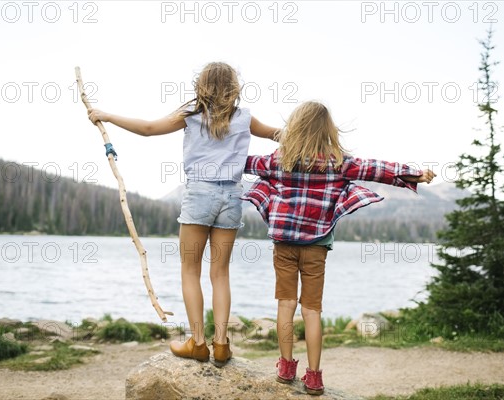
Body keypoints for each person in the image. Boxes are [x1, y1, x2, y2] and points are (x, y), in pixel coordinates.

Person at [88, 62, 279, 367]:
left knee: (190, 270)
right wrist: (311, 136)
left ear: (201, 85)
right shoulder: (244, 117)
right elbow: (278, 134)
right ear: (233, 86)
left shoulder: (191, 115)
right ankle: (221, 345)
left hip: (200, 194)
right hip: (232, 195)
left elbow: (148, 129)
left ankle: (198, 344)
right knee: (220, 274)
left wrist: (107, 115)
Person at [241, 101, 435, 395]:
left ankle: (285, 366)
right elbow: (377, 169)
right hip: (316, 246)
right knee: (312, 310)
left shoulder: (277, 160)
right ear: (328, 130)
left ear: (294, 127)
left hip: (284, 243)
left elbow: (243, 162)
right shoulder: (339, 162)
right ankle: (315, 377)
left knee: (285, 305)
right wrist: (414, 173)